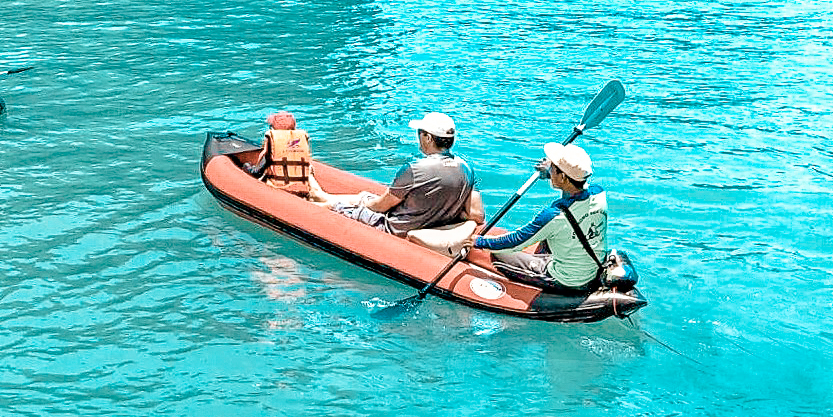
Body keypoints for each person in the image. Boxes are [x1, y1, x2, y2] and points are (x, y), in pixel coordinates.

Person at [312, 113, 484, 247]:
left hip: (396, 229)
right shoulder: (467, 168)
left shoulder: (414, 169)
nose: (418, 137)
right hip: (432, 227)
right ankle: (321, 195)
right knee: (363, 196)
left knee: (342, 206)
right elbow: (477, 215)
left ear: (429, 138)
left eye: (420, 133)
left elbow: (381, 206)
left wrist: (360, 207)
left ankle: (318, 200)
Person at [472, 142, 607, 291]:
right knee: (552, 235)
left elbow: (515, 241)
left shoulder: (554, 216)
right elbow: (575, 188)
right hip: (592, 268)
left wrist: (479, 242)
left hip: (566, 279)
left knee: (500, 255)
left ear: (563, 177)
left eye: (553, 168)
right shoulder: (599, 194)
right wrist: (551, 173)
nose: (550, 169)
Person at [255, 111, 315, 195]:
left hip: (280, 186)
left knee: (247, 167)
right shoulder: (302, 136)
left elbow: (261, 166)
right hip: (303, 186)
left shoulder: (272, 136)